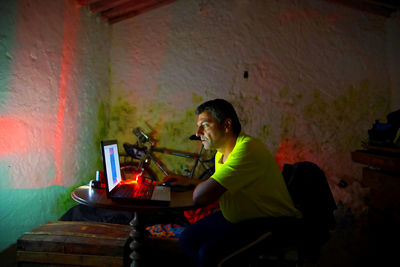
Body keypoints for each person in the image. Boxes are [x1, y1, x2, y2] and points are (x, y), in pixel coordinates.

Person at [163, 99, 301, 266]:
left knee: (209, 253)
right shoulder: (220, 154)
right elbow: (223, 184)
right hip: (237, 217)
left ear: (227, 125)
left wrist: (170, 197)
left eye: (205, 125)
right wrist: (190, 181)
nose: (198, 132)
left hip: (270, 222)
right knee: (187, 239)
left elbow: (202, 196)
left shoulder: (247, 149)